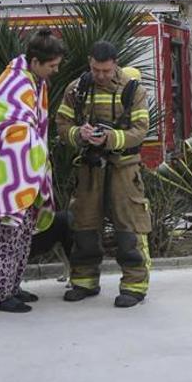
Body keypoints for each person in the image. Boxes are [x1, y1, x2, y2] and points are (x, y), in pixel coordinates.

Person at [0, 28, 66, 313]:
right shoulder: (14, 84)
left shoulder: (33, 82)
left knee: (23, 235)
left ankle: (11, 287)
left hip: (23, 173)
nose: (56, 70)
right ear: (35, 61)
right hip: (8, 173)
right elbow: (12, 129)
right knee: (8, 236)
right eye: (52, 65)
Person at [56, 41, 152, 308]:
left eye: (106, 70)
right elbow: (62, 124)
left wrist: (109, 138)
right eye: (96, 69)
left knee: (129, 228)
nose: (100, 75)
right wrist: (80, 134)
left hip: (124, 168)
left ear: (115, 64)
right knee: (84, 227)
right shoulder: (77, 89)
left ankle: (134, 286)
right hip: (89, 168)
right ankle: (84, 282)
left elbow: (141, 130)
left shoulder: (134, 90)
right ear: (89, 62)